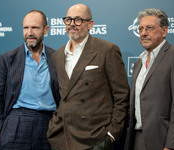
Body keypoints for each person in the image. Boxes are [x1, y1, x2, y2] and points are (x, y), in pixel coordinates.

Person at [47, 3, 130, 150]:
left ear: (90, 24)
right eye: (68, 20)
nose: (72, 24)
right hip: (61, 138)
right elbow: (60, 95)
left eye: (78, 20)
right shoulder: (57, 56)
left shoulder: (107, 50)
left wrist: (111, 134)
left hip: (95, 139)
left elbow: (122, 95)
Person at [0, 10, 60, 150]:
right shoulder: (6, 59)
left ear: (46, 30)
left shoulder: (58, 58)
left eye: (35, 28)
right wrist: (1, 129)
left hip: (49, 125)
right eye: (26, 28)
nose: (30, 32)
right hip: (16, 124)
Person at [125, 8, 174, 150]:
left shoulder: (173, 55)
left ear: (164, 31)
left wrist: (171, 145)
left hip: (163, 140)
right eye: (140, 29)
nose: (143, 33)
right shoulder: (138, 63)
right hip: (136, 139)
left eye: (149, 28)